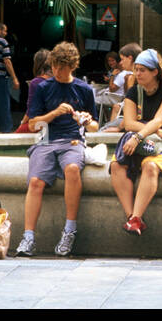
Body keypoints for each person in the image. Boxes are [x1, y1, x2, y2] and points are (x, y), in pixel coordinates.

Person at [16, 42, 98, 257]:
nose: (57, 72)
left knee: (72, 169)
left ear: (72, 67)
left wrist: (86, 120)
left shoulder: (84, 89)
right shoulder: (43, 88)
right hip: (46, 140)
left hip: (72, 140)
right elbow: (33, 124)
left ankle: (69, 230)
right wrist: (54, 113)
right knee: (35, 182)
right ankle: (28, 237)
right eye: (55, 67)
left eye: (62, 68)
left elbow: (96, 126)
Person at [109, 48, 162, 236]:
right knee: (116, 166)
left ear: (155, 72)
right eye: (136, 69)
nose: (137, 74)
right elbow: (128, 123)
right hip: (149, 136)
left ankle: (136, 217)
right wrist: (152, 131)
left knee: (150, 167)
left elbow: (159, 120)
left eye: (142, 70)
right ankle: (132, 218)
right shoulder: (134, 92)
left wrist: (139, 135)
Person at [15, 49, 54, 134]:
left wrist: (22, 123)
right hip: (56, 123)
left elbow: (30, 111)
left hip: (41, 123)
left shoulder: (36, 82)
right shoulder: (57, 80)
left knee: (15, 136)